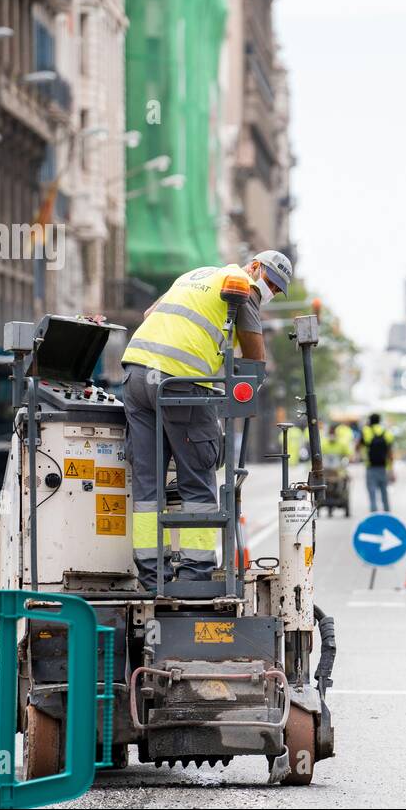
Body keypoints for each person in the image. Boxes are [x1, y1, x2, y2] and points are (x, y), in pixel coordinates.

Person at [120, 250, 293, 594]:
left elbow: (150, 313)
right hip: (180, 382)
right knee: (198, 477)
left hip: (136, 375)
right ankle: (195, 572)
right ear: (254, 266)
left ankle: (152, 575)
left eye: (275, 287)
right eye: (270, 280)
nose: (268, 289)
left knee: (147, 481)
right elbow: (256, 358)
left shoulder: (197, 275)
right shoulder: (241, 287)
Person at [359, 412, 394, 512]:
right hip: (383, 467)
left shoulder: (366, 431)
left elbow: (359, 446)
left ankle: (374, 514)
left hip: (370, 466)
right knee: (384, 492)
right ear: (379, 420)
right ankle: (387, 513)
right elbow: (390, 452)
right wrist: (391, 469)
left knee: (372, 492)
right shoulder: (386, 432)